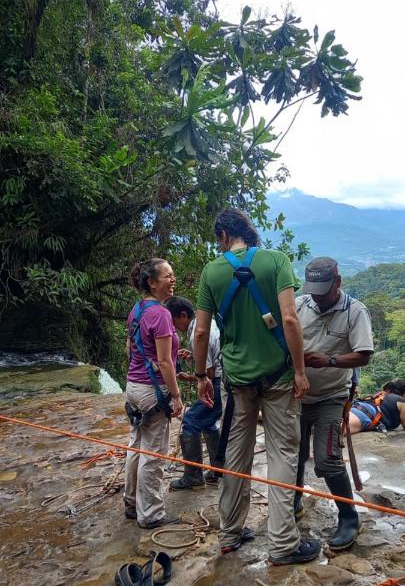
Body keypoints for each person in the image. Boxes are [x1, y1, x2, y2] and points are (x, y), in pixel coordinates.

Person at [193, 207, 321, 564]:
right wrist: (299, 371)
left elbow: (201, 331)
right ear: (248, 233)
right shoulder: (276, 260)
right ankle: (282, 544)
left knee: (235, 456)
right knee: (282, 454)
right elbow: (290, 319)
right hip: (278, 376)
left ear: (222, 236)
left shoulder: (211, 271)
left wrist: (203, 376)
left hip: (235, 381)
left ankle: (230, 534)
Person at [295, 257, 374, 550]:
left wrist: (329, 360)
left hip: (331, 396)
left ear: (338, 283)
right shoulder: (300, 305)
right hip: (297, 395)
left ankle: (348, 516)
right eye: (313, 289)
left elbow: (363, 354)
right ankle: (293, 502)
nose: (317, 295)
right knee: (295, 454)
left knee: (327, 459)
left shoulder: (355, 311)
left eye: (324, 289)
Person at [124, 258, 184, 529]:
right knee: (154, 452)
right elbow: (164, 362)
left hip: (134, 386)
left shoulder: (136, 310)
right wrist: (176, 394)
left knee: (136, 445)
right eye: (167, 276)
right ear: (152, 282)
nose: (173, 280)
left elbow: (130, 349)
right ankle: (150, 513)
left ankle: (131, 503)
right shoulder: (160, 314)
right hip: (153, 390)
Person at [166, 296, 222, 490]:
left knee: (190, 421)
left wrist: (189, 377)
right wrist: (192, 357)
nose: (173, 326)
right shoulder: (207, 322)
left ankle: (193, 476)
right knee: (206, 422)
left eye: (173, 321)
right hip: (224, 380)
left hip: (219, 383)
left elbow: (209, 374)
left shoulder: (197, 333)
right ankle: (218, 469)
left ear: (182, 315)